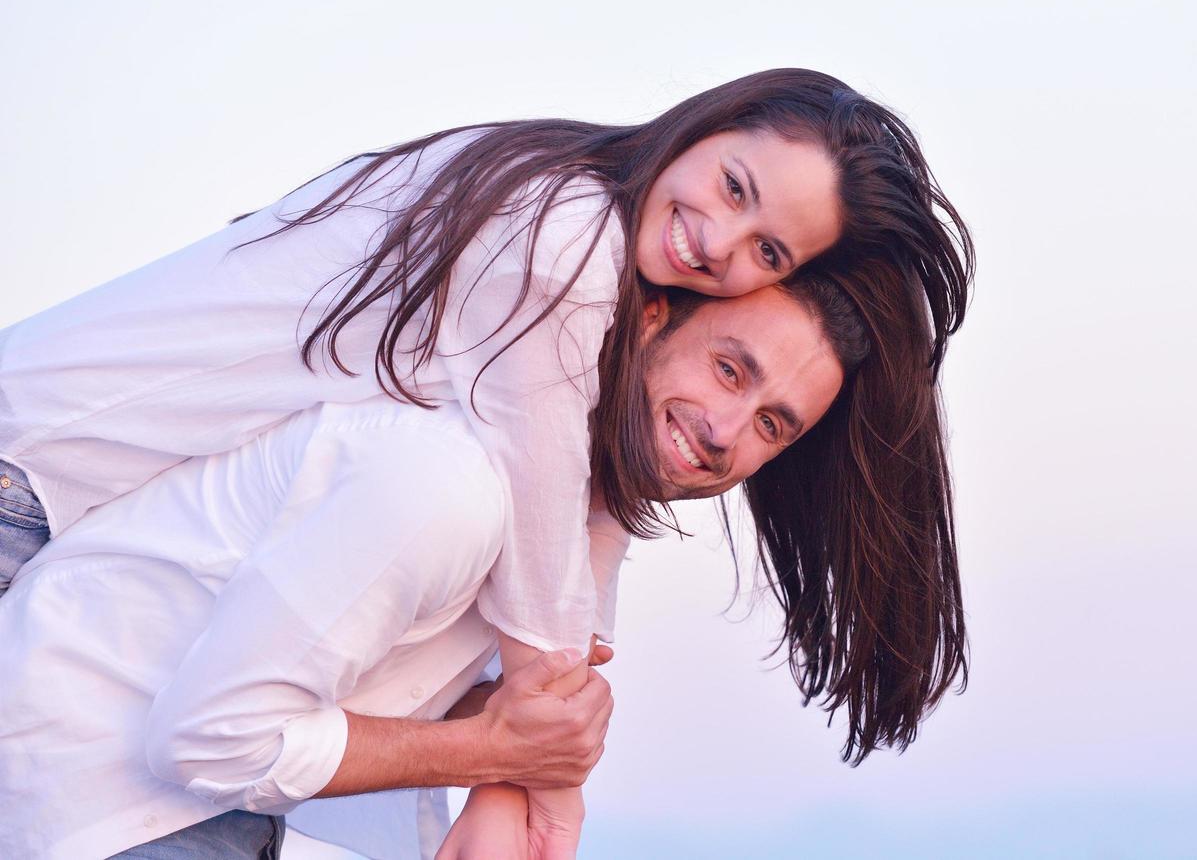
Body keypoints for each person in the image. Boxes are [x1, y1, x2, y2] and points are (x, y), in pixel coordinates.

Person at [0, 277, 864, 859]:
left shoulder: (578, 507)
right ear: (648, 323)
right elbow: (208, 740)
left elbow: (489, 689)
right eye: (726, 369)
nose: (724, 430)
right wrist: (482, 751)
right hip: (80, 785)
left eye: (771, 425)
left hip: (193, 797)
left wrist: (511, 767)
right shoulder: (445, 483)